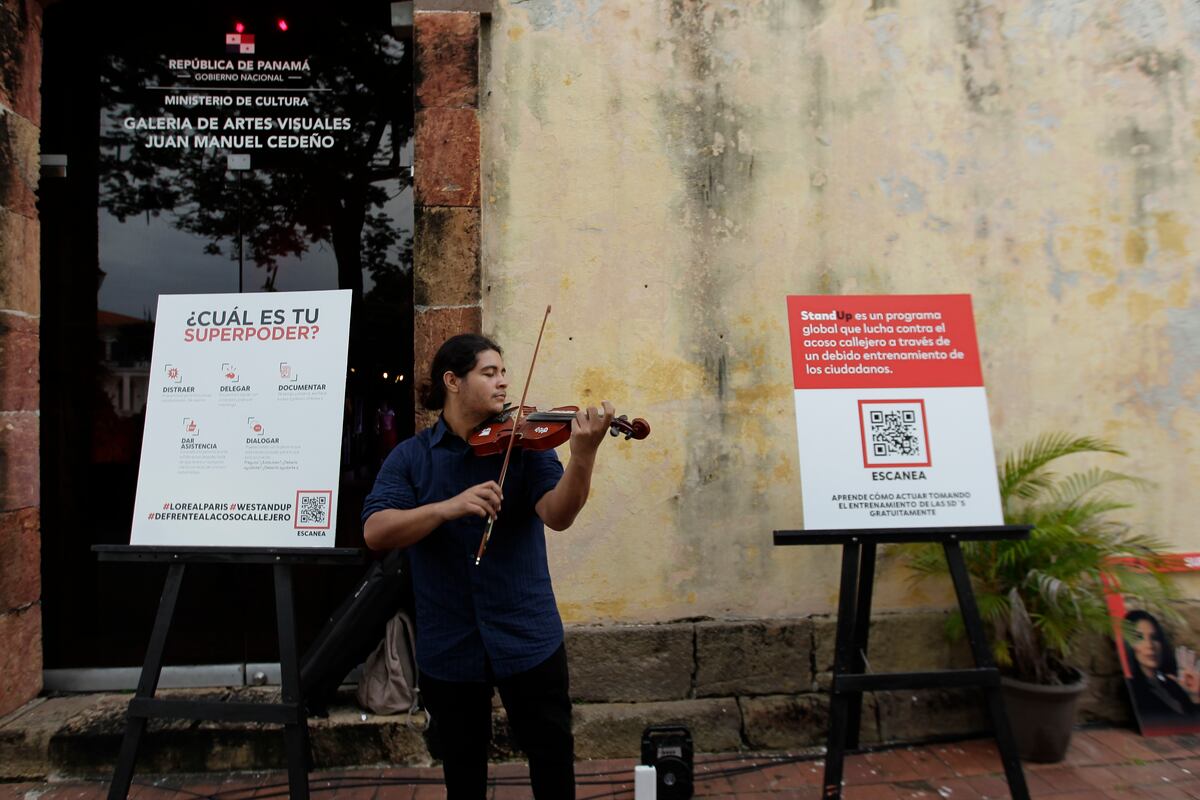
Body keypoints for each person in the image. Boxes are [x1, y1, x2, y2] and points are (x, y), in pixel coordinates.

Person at [361, 333, 615, 799]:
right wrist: (445, 507)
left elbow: (559, 515)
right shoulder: (412, 458)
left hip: (527, 633)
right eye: (489, 372)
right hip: (448, 642)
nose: (503, 383)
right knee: (462, 773)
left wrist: (583, 456)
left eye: (504, 372)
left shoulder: (526, 445)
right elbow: (376, 531)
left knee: (552, 763)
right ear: (453, 381)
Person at [1123, 609, 1200, 725]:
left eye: (1154, 637)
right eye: (1139, 638)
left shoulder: (1170, 683)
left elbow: (1193, 723)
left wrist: (1193, 695)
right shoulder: (1135, 691)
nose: (1150, 645)